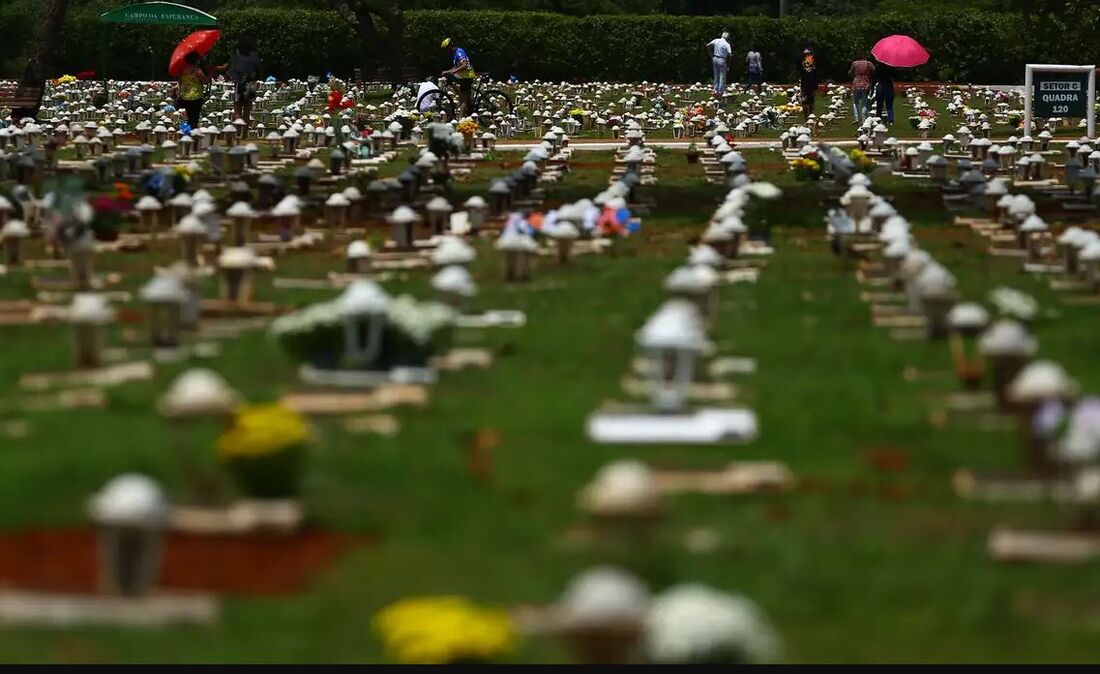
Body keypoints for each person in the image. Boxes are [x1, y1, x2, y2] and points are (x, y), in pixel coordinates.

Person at [218, 38, 263, 134]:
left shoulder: (236, 58)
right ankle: (245, 133)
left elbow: (229, 70)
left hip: (240, 84)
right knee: (247, 111)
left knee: (237, 110)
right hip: (251, 85)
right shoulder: (254, 58)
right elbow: (259, 71)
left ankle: (238, 132)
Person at [441, 37, 475, 116]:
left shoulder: (459, 52)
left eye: (446, 49)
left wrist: (453, 72)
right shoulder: (455, 53)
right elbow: (457, 66)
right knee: (466, 98)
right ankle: (470, 112)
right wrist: (449, 71)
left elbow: (464, 65)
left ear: (449, 47)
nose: (446, 52)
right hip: (463, 76)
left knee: (463, 100)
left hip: (466, 76)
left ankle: (460, 119)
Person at [175, 51, 208, 128]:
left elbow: (179, 81)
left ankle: (189, 131)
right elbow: (204, 81)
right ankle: (193, 133)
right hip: (196, 96)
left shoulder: (182, 70)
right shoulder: (197, 70)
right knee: (195, 117)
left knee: (189, 116)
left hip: (185, 96)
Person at [849, 54, 875, 124]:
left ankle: (856, 118)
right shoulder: (868, 63)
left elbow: (850, 72)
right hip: (865, 84)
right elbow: (874, 70)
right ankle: (864, 119)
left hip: (856, 84)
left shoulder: (855, 63)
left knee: (855, 102)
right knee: (864, 103)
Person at [798, 46, 818, 119]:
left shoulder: (805, 62)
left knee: (807, 100)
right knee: (810, 100)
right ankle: (809, 115)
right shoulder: (812, 61)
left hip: (807, 83)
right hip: (810, 82)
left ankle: (807, 116)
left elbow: (802, 73)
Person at [874, 58, 896, 123]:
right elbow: (894, 76)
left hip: (880, 85)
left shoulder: (878, 67)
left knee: (879, 103)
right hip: (888, 85)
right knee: (889, 104)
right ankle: (890, 119)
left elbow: (875, 76)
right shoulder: (891, 67)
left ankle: (878, 118)